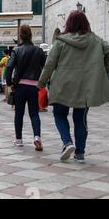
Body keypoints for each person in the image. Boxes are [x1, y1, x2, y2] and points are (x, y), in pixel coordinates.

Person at [38, 11, 109, 163]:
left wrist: (41, 83)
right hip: (86, 86)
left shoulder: (60, 41)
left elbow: (49, 64)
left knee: (59, 114)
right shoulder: (96, 40)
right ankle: (80, 153)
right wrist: (104, 69)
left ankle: (67, 142)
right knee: (80, 119)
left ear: (68, 24)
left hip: (62, 85)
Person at [6, 25, 46, 151]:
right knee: (34, 113)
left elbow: (9, 67)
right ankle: (37, 137)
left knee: (19, 113)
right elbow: (45, 67)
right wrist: (42, 82)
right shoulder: (38, 51)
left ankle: (19, 139)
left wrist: (9, 82)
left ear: (20, 35)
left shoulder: (16, 50)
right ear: (31, 35)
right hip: (34, 86)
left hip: (20, 86)